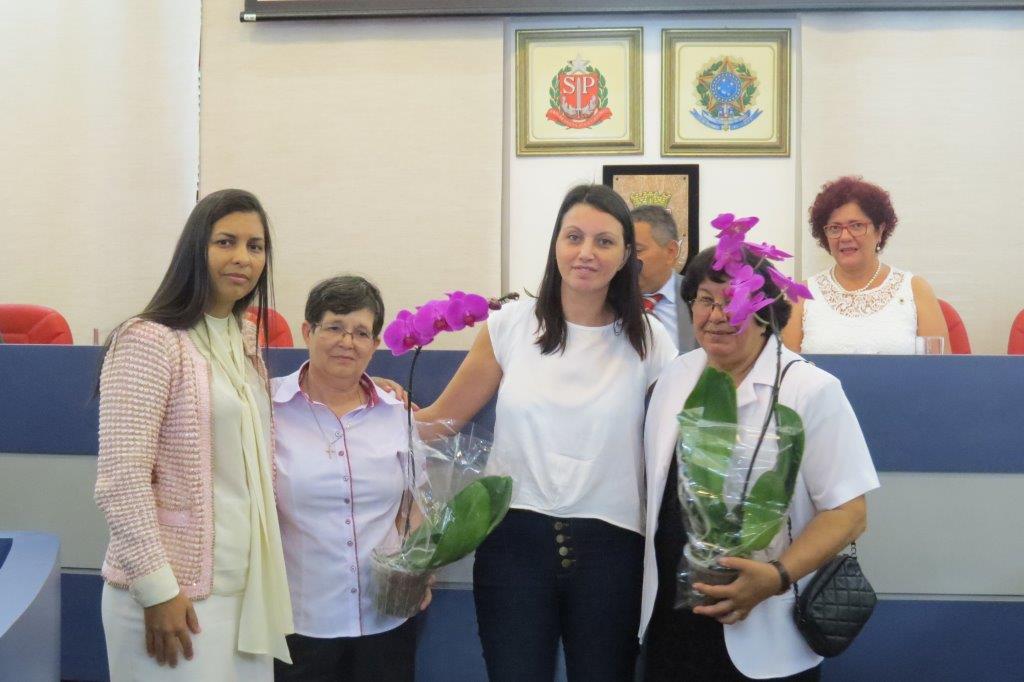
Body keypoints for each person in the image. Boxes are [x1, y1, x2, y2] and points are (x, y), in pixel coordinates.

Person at [415, 184, 677, 681]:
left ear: (626, 256)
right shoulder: (509, 324)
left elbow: (681, 443)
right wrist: (371, 402)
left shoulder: (650, 341)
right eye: (573, 236)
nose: (586, 252)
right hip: (513, 544)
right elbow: (440, 422)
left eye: (604, 241)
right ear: (555, 243)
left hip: (613, 551)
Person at [641, 246, 880, 681]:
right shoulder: (675, 378)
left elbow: (849, 513)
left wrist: (776, 576)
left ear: (765, 309)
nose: (717, 315)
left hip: (767, 627)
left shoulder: (809, 389)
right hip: (672, 625)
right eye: (705, 300)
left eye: (734, 300)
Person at [95, 189, 293, 680]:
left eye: (255, 246)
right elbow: (121, 480)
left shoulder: (243, 341)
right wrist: (156, 588)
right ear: (195, 249)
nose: (242, 258)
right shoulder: (149, 339)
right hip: (175, 596)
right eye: (226, 241)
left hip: (244, 591)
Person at [271, 275, 429, 682]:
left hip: (386, 620)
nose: (347, 342)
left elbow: (415, 504)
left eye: (361, 333)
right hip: (298, 622)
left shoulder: (397, 414)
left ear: (375, 345)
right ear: (307, 331)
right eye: (335, 327)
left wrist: (420, 569)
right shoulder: (266, 408)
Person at [783, 176, 949, 354]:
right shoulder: (800, 295)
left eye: (856, 226)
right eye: (835, 228)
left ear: (880, 230)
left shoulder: (915, 290)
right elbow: (785, 369)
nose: (845, 237)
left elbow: (940, 368)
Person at [632, 204, 696, 352]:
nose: (627, 259)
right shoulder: (606, 300)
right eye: (624, 250)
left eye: (637, 250)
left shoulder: (697, 297)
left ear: (671, 252)